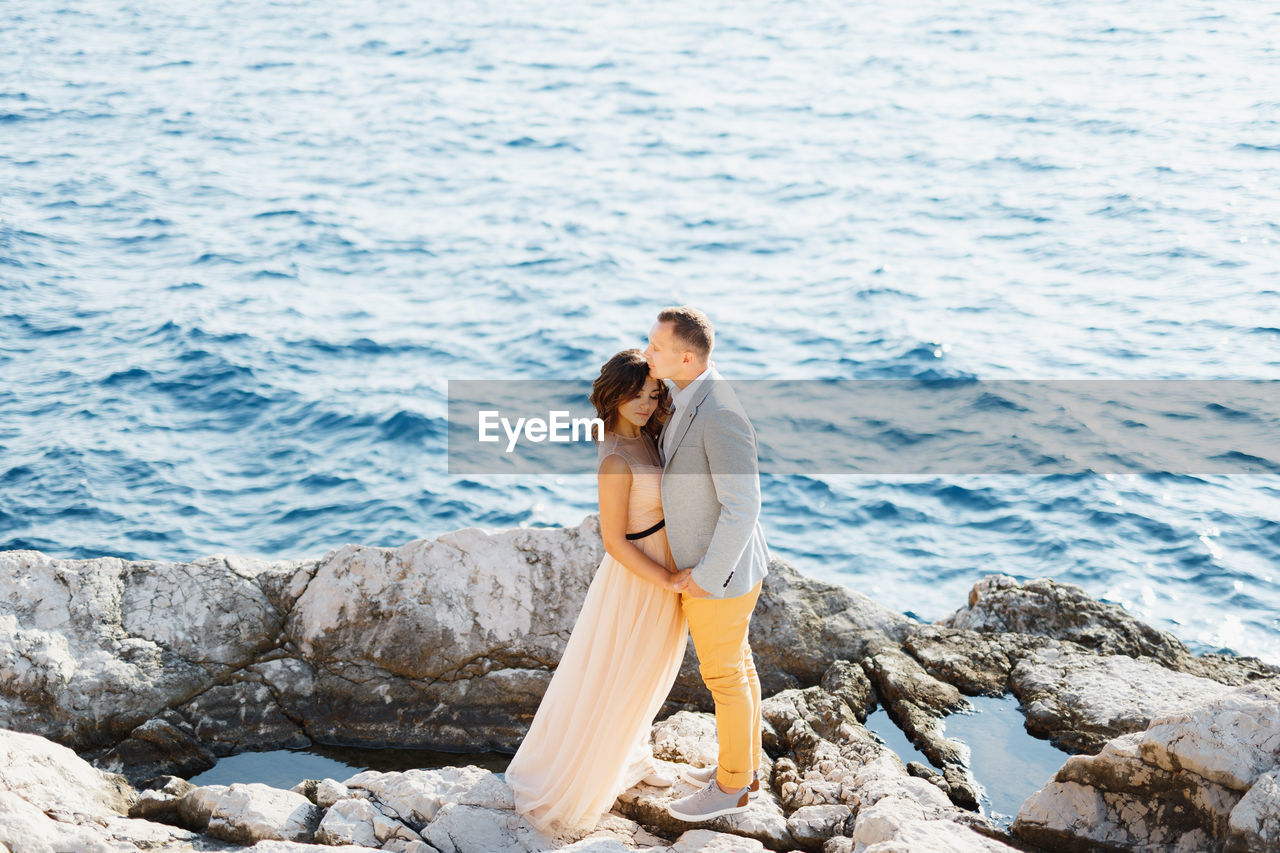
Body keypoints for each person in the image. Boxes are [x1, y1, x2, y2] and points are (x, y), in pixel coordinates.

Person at [505, 349, 692, 836]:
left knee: (651, 670)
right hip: (640, 577)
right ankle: (591, 771)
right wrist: (668, 579)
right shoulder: (615, 456)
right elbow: (613, 542)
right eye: (634, 394)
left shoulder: (649, 436)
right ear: (614, 395)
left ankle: (634, 753)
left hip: (663, 564)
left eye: (652, 395)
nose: (645, 403)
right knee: (626, 672)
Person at [643, 306, 771, 822]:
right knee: (738, 666)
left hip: (722, 574)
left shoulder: (719, 414)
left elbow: (745, 505)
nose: (647, 352)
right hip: (726, 568)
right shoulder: (690, 397)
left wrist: (705, 576)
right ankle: (746, 770)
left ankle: (732, 786)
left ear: (687, 356)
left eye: (655, 346)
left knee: (724, 678)